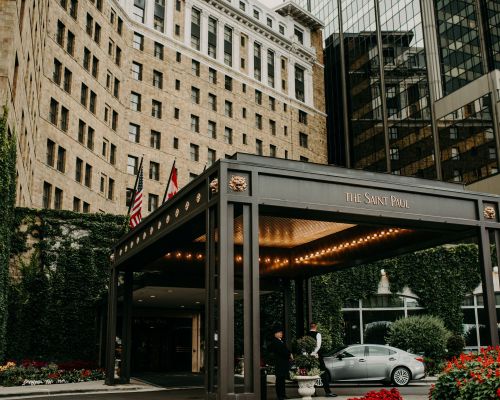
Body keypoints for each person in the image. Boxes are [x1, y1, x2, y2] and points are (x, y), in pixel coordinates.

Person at [307, 322, 337, 397]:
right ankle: (327, 392)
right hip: (317, 356)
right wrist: (314, 354)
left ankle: (312, 392)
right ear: (316, 326)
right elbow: (318, 346)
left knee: (310, 374)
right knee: (323, 374)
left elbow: (303, 347)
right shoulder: (318, 334)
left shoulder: (306, 334)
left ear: (310, 327)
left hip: (308, 357)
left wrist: (308, 355)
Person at [269, 326, 291, 400]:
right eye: (280, 332)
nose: (281, 334)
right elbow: (283, 351)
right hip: (280, 363)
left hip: (283, 363)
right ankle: (280, 396)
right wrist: (289, 354)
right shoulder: (275, 342)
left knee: (282, 380)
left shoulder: (280, 341)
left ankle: (283, 394)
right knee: (279, 380)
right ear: (276, 334)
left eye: (281, 332)